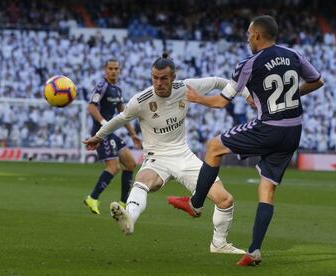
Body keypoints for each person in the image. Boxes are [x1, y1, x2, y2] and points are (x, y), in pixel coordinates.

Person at [168, 15, 324, 266]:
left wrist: (198, 98)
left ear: (258, 36)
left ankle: (196, 204)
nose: (247, 38)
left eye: (249, 34)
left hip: (269, 127)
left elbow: (220, 102)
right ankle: (254, 251)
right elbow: (317, 81)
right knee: (267, 189)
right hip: (294, 130)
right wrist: (289, 93)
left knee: (213, 147)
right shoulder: (294, 55)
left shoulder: (249, 64)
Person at [83, 54, 248, 254]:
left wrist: (246, 94)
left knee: (225, 200)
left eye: (163, 78)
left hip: (184, 156)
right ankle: (129, 219)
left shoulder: (184, 88)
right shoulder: (141, 100)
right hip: (157, 157)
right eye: (155, 78)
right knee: (142, 180)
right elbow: (120, 118)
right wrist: (98, 136)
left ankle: (219, 244)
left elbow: (218, 82)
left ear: (173, 77)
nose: (158, 83)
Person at [84, 59, 142, 215]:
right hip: (100, 134)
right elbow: (91, 106)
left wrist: (133, 134)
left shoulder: (117, 89)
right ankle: (92, 198)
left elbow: (123, 113)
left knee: (130, 163)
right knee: (113, 167)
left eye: (116, 68)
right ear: (105, 70)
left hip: (110, 132)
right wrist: (104, 124)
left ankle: (123, 203)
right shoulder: (101, 87)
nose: (113, 71)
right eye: (110, 68)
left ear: (120, 70)